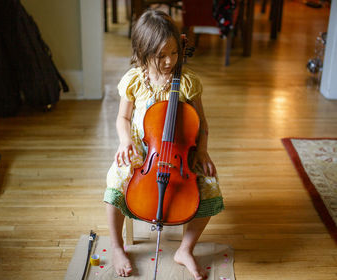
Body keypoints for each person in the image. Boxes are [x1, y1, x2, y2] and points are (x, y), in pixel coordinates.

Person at [104, 9, 224, 280]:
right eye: (161, 56)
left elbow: (201, 124)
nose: (170, 61)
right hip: (142, 153)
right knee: (115, 180)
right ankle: (116, 245)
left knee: (210, 185)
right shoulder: (134, 80)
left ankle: (185, 249)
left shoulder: (188, 83)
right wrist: (125, 143)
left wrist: (202, 150)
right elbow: (122, 117)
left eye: (174, 53)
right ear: (143, 53)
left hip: (179, 156)